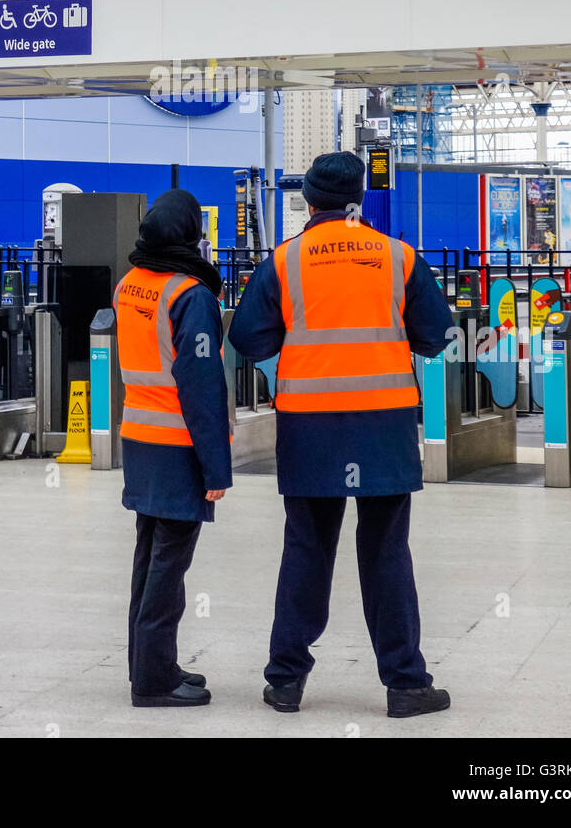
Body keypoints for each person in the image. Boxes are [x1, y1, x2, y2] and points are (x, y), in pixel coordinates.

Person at [228, 152, 453, 718]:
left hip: (310, 423)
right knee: (386, 552)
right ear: (360, 198)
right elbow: (438, 335)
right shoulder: (399, 257)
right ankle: (406, 684)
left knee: (307, 547)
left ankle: (285, 681)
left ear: (308, 199)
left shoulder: (284, 260)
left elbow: (249, 340)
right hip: (383, 421)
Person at [115, 189, 231, 708]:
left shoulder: (131, 284)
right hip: (179, 443)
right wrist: (216, 467)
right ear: (192, 236)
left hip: (138, 438)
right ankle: (154, 682)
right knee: (169, 567)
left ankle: (150, 663)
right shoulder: (190, 296)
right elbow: (202, 386)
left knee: (148, 557)